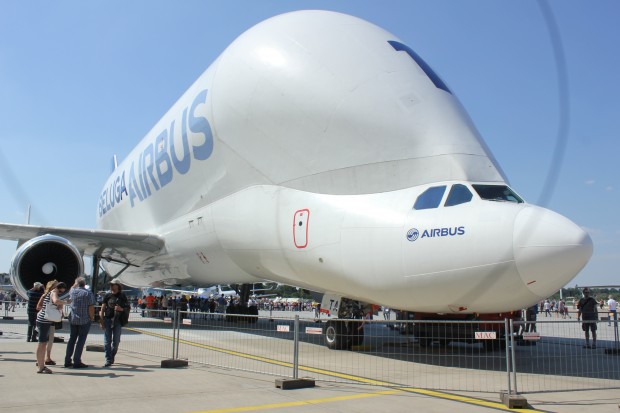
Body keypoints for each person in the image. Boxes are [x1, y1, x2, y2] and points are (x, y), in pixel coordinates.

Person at [35, 281, 67, 374]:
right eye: (61, 291)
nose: (60, 293)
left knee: (42, 343)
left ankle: (40, 364)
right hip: (44, 321)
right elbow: (56, 301)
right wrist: (66, 302)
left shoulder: (49, 293)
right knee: (42, 343)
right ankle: (41, 366)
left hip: (44, 320)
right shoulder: (54, 293)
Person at [64, 277, 95, 368]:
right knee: (81, 340)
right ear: (84, 284)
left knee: (72, 339)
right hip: (84, 319)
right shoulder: (88, 293)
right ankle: (77, 361)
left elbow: (72, 287)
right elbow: (91, 307)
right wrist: (91, 317)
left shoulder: (72, 291)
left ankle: (67, 360)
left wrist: (75, 282)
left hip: (73, 319)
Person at [100, 279, 130, 367]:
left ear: (118, 286)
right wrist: (101, 320)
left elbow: (128, 307)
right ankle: (108, 359)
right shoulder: (107, 295)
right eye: (111, 285)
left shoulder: (122, 296)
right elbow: (102, 308)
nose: (112, 286)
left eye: (113, 285)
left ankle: (112, 355)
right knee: (107, 341)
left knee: (116, 341)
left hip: (118, 321)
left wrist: (121, 309)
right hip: (108, 319)